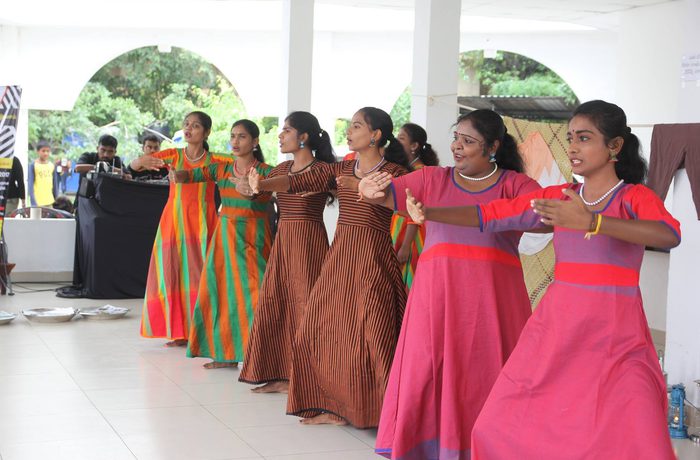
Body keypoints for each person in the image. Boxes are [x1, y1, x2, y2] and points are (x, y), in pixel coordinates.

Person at [405, 100, 680, 460]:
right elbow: (494, 213)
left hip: (617, 331)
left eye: (584, 138)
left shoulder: (634, 197)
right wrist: (430, 211)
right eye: (570, 138)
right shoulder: (559, 198)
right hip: (558, 328)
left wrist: (594, 223)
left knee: (635, 427)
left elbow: (668, 235)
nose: (573, 148)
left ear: (614, 146)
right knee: (500, 422)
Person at [359, 110, 540, 459]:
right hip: (436, 297)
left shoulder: (514, 185)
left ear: (493, 147)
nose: (456, 147)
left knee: (488, 375)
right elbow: (386, 193)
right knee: (428, 371)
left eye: (468, 141)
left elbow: (543, 214)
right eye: (456, 137)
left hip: (493, 302)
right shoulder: (432, 179)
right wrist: (368, 187)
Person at [247, 107, 409, 427]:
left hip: (373, 257)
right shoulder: (340, 167)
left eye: (357, 126)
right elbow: (300, 180)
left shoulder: (395, 171)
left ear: (376, 135)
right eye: (350, 126)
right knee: (321, 329)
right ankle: (333, 405)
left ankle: (379, 411)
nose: (350, 131)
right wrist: (261, 185)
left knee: (371, 332)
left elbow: (411, 205)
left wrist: (359, 188)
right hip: (340, 256)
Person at [239, 111, 335, 392]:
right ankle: (281, 374)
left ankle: (309, 377)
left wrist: (261, 184)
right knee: (277, 301)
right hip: (283, 240)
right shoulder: (280, 169)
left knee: (307, 305)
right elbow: (258, 193)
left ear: (303, 137)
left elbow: (288, 185)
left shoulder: (322, 170)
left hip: (309, 242)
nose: (280, 136)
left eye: (286, 131)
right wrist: (247, 186)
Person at [174, 119, 273, 368]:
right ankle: (225, 353)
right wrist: (176, 172)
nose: (235, 141)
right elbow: (193, 175)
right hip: (225, 237)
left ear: (255, 141)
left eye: (241, 137)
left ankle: (260, 356)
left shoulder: (267, 171)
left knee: (257, 296)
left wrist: (252, 189)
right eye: (233, 136)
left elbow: (276, 194)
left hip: (253, 236)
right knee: (222, 294)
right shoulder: (221, 169)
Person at [136, 111, 225, 346]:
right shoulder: (173, 156)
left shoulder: (215, 160)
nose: (189, 129)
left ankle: (199, 330)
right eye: (186, 124)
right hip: (174, 220)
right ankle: (178, 331)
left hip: (203, 221)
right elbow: (136, 165)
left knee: (200, 275)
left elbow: (244, 164)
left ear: (206, 132)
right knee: (171, 273)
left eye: (195, 126)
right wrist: (140, 161)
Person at [390, 122, 439, 289]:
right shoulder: (406, 168)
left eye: (401, 138)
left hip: (411, 235)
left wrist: (405, 246)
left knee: (408, 281)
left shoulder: (419, 171)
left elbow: (415, 212)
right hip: (399, 229)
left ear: (414, 145)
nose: (396, 141)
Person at [27, 141, 58, 207]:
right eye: (43, 151)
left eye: (48, 151)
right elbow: (30, 184)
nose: (46, 153)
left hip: (50, 201)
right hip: (37, 202)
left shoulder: (52, 165)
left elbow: (55, 184)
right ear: (38, 151)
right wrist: (33, 202)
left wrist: (56, 199)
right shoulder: (33, 165)